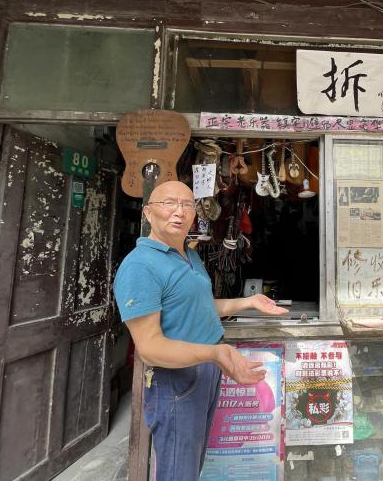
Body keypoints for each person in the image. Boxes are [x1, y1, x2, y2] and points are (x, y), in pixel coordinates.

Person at [113, 180, 288, 481]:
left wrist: (249, 302)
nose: (179, 211)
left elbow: (200, 306)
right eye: (169, 203)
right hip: (176, 379)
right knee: (178, 471)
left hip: (205, 369)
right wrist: (215, 353)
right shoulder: (140, 266)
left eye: (187, 204)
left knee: (192, 464)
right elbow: (150, 348)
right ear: (148, 213)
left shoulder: (188, 254)